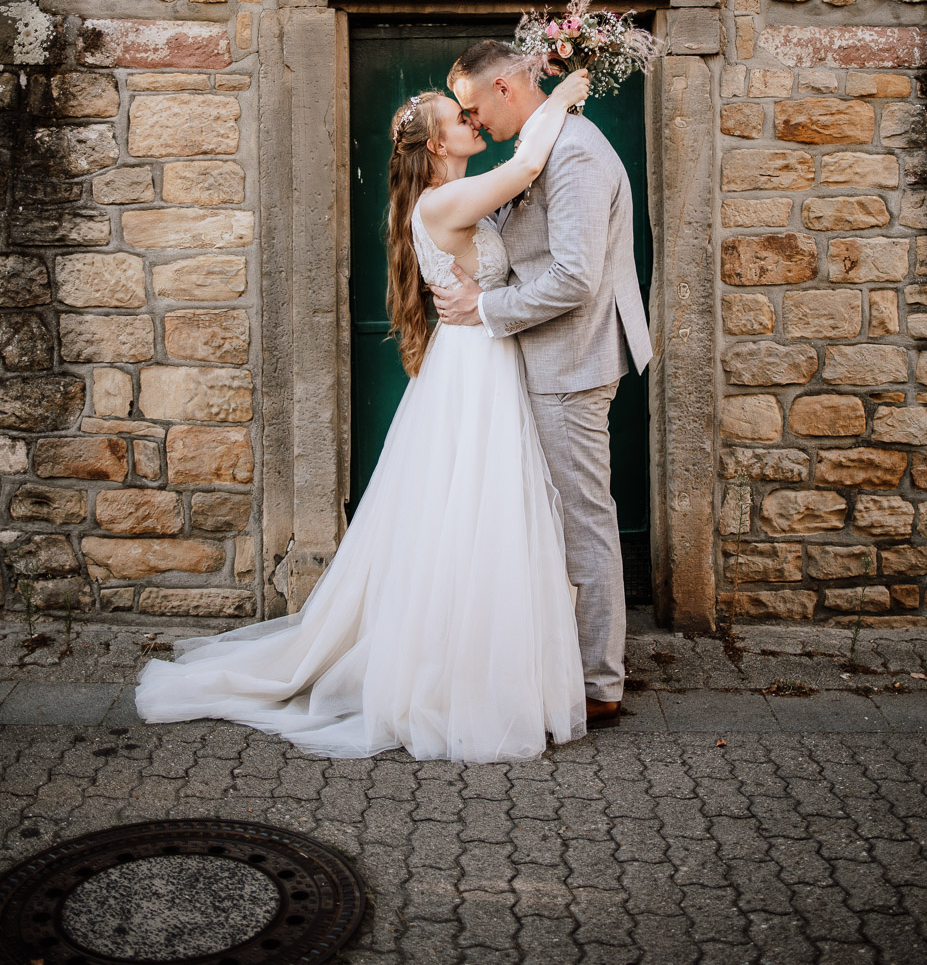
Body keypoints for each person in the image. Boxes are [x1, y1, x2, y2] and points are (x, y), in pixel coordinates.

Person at [135, 67, 591, 763]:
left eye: (471, 114)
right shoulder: (446, 204)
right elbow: (529, 162)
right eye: (459, 118)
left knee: (473, 516)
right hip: (473, 370)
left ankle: (483, 664)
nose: (473, 120)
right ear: (437, 146)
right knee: (475, 512)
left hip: (479, 362)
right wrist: (558, 98)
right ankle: (462, 680)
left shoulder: (450, 195)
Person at [434, 40, 653, 731]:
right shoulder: (543, 141)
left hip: (572, 362)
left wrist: (484, 308)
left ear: (504, 87)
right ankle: (564, 662)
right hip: (544, 359)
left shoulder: (577, 152)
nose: (475, 124)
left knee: (583, 516)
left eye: (474, 107)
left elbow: (575, 277)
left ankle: (598, 682)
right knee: (553, 517)